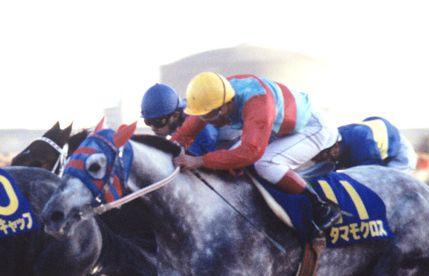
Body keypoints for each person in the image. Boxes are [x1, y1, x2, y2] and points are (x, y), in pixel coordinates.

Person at [172, 72, 341, 233]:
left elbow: (249, 153)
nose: (205, 122)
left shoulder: (256, 104)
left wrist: (199, 161)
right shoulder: (213, 97)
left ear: (224, 107)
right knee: (229, 161)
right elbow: (184, 134)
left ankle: (321, 208)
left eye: (208, 117)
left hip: (312, 127)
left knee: (264, 164)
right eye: (201, 116)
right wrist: (166, 148)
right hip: (278, 124)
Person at [313, 116, 418, 173]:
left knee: (386, 190)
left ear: (335, 147)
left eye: (323, 157)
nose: (320, 163)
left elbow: (372, 175)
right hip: (370, 143)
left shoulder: (362, 142)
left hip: (399, 155)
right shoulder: (331, 145)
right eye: (316, 159)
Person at [141, 83, 218, 155]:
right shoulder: (174, 117)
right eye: (148, 122)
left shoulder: (204, 130)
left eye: (158, 122)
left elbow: (197, 160)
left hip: (222, 142)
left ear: (175, 115)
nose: (153, 128)